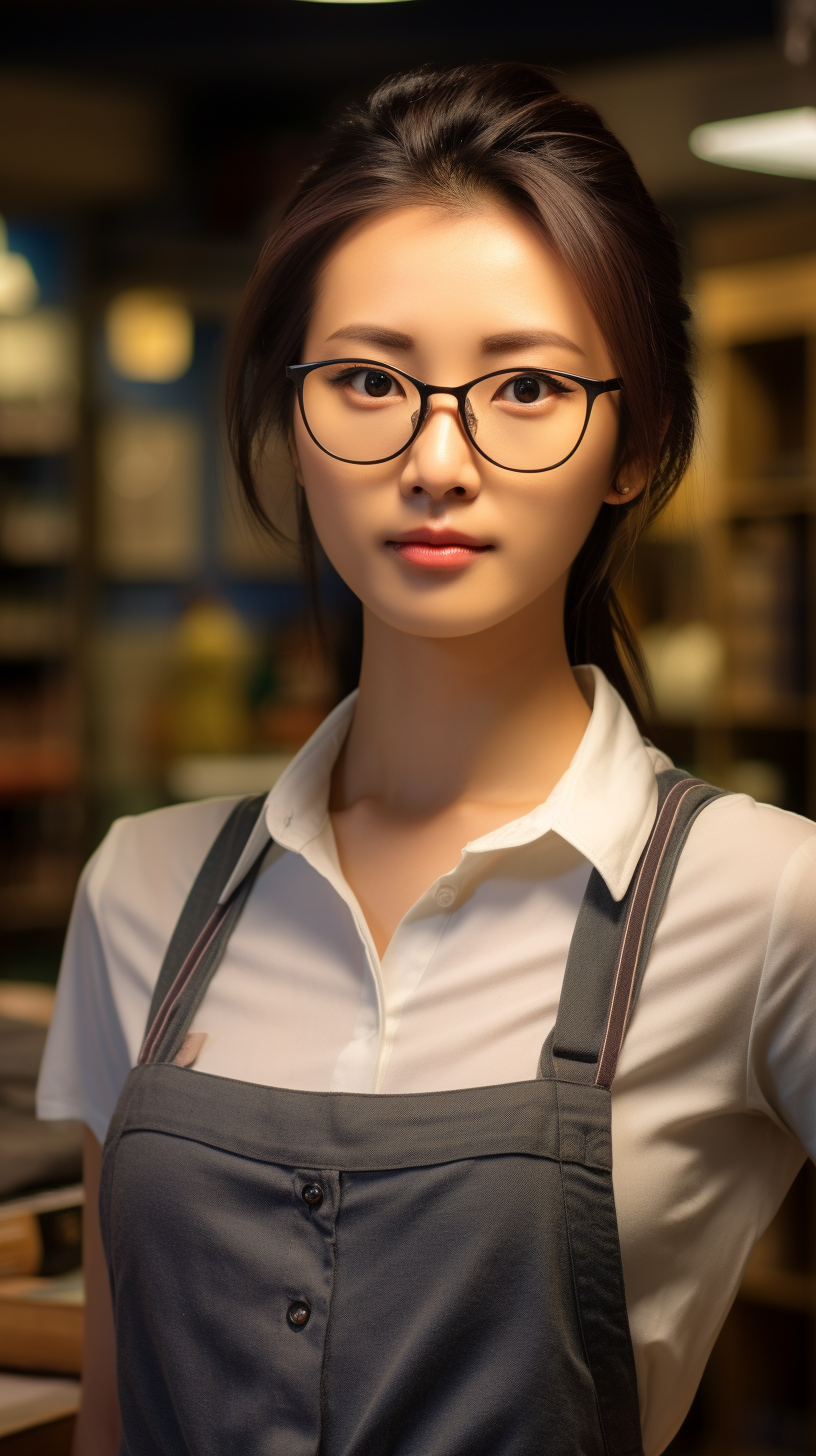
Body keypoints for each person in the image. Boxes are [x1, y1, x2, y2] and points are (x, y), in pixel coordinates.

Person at [38, 62, 816, 1456]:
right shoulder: (139, 888)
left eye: (523, 385)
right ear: (291, 417)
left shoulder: (768, 901)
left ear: (631, 439)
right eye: (368, 380)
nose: (437, 458)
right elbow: (109, 1413)